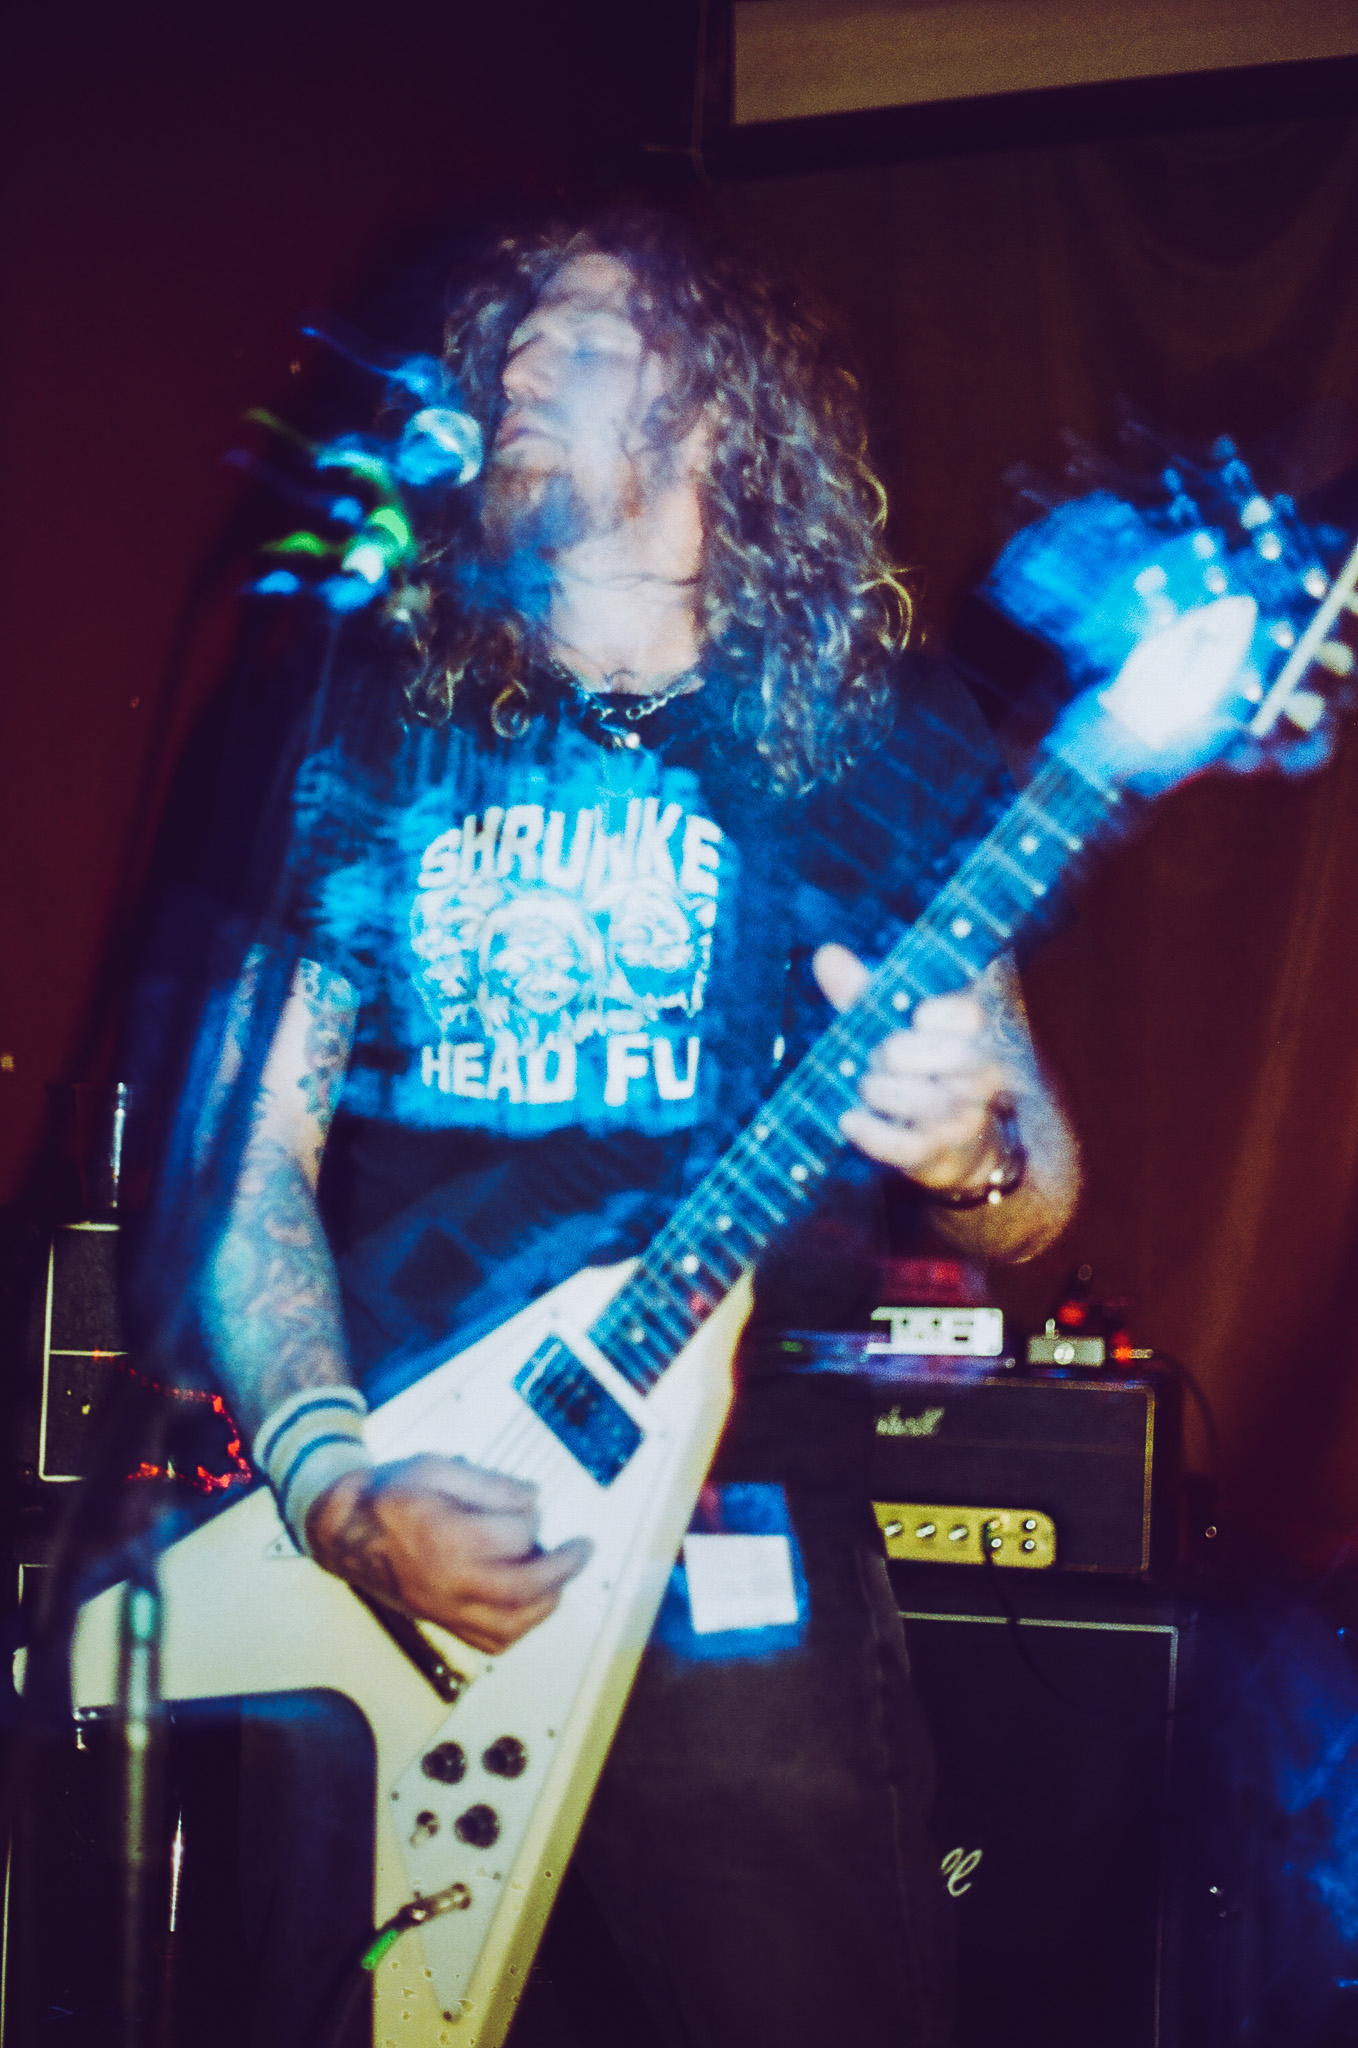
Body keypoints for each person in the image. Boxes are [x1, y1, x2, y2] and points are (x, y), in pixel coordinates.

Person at [176, 210, 1080, 2048]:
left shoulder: (871, 739)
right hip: (385, 1513)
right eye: (506, 335)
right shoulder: (361, 724)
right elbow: (238, 1151)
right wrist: (334, 1485)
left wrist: (966, 1151)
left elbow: (1037, 1189)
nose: (515, 361)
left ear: (717, 409)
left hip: (731, 1534)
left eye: (579, 335)